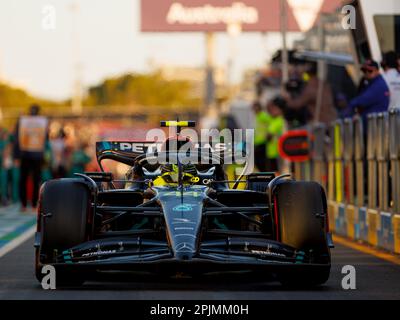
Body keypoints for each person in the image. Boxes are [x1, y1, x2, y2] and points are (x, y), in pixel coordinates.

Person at [13, 104, 48, 211]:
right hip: (35, 154)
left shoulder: (23, 121)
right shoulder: (42, 122)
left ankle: (25, 204)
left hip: (25, 154)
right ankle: (32, 204)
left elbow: (16, 139)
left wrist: (16, 155)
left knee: (24, 179)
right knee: (34, 179)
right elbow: (46, 138)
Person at [265, 97, 285, 172]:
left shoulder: (278, 121)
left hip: (276, 153)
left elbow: (268, 136)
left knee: (276, 173)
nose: (271, 110)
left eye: (274, 108)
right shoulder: (273, 119)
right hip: (272, 152)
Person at [252, 101, 269, 172]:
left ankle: (264, 173)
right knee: (257, 161)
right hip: (258, 142)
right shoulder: (257, 116)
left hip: (263, 142)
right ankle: (263, 172)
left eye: (255, 107)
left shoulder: (263, 115)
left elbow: (269, 123)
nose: (254, 109)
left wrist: (267, 134)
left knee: (260, 161)